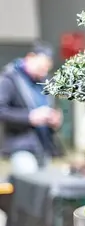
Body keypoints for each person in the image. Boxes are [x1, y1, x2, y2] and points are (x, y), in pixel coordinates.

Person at [0, 42, 63, 174]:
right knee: (30, 183)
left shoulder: (44, 82)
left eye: (46, 68)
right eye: (41, 67)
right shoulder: (9, 79)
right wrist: (29, 117)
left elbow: (51, 107)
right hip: (21, 145)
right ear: (30, 57)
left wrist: (55, 118)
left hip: (43, 146)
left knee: (46, 188)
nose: (44, 71)